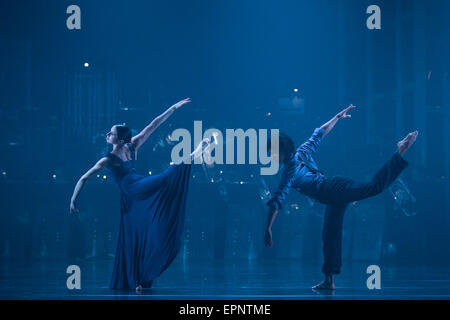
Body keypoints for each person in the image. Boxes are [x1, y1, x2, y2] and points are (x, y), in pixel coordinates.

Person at [264, 104, 418, 290]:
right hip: (331, 196)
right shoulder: (301, 152)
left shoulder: (289, 171)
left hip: (334, 189)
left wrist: (268, 228)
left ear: (282, 152)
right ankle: (329, 280)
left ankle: (399, 152)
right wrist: (337, 117)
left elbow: (277, 200)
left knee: (373, 187)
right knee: (330, 235)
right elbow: (320, 132)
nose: (270, 156)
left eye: (272, 153)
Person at [69, 98, 211, 292]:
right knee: (135, 235)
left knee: (165, 179)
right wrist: (73, 199)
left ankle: (143, 279)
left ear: (119, 140)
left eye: (111, 133)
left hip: (138, 187)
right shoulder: (107, 160)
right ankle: (140, 280)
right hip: (130, 196)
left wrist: (174, 107)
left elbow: (153, 124)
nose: (107, 134)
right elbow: (83, 178)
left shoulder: (132, 146)